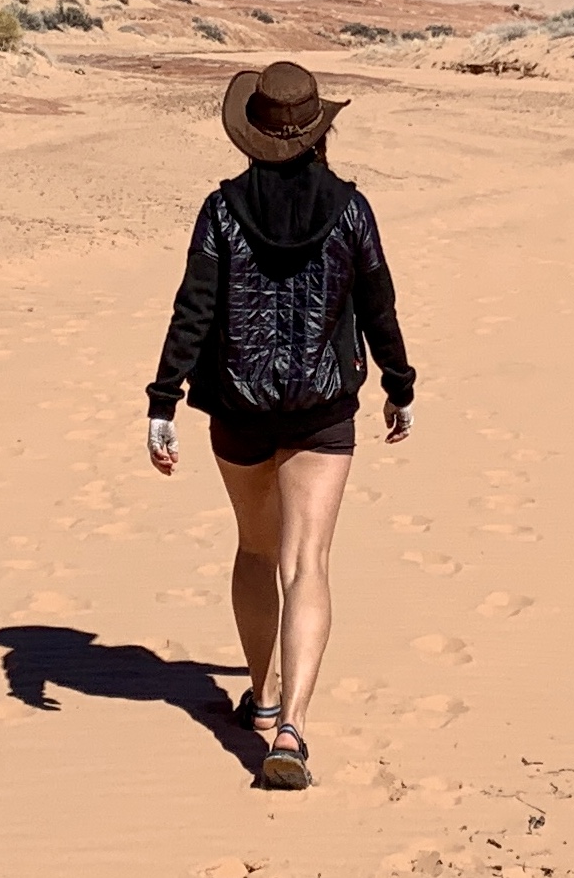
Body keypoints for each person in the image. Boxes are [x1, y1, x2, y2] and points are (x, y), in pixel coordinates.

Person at [145, 61, 415, 790]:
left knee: (254, 548)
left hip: (236, 408)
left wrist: (162, 400)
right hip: (322, 410)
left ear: (251, 133)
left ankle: (261, 701)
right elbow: (378, 302)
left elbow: (193, 306)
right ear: (315, 129)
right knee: (306, 564)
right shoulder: (352, 208)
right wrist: (399, 384)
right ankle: (291, 725)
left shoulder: (221, 208)